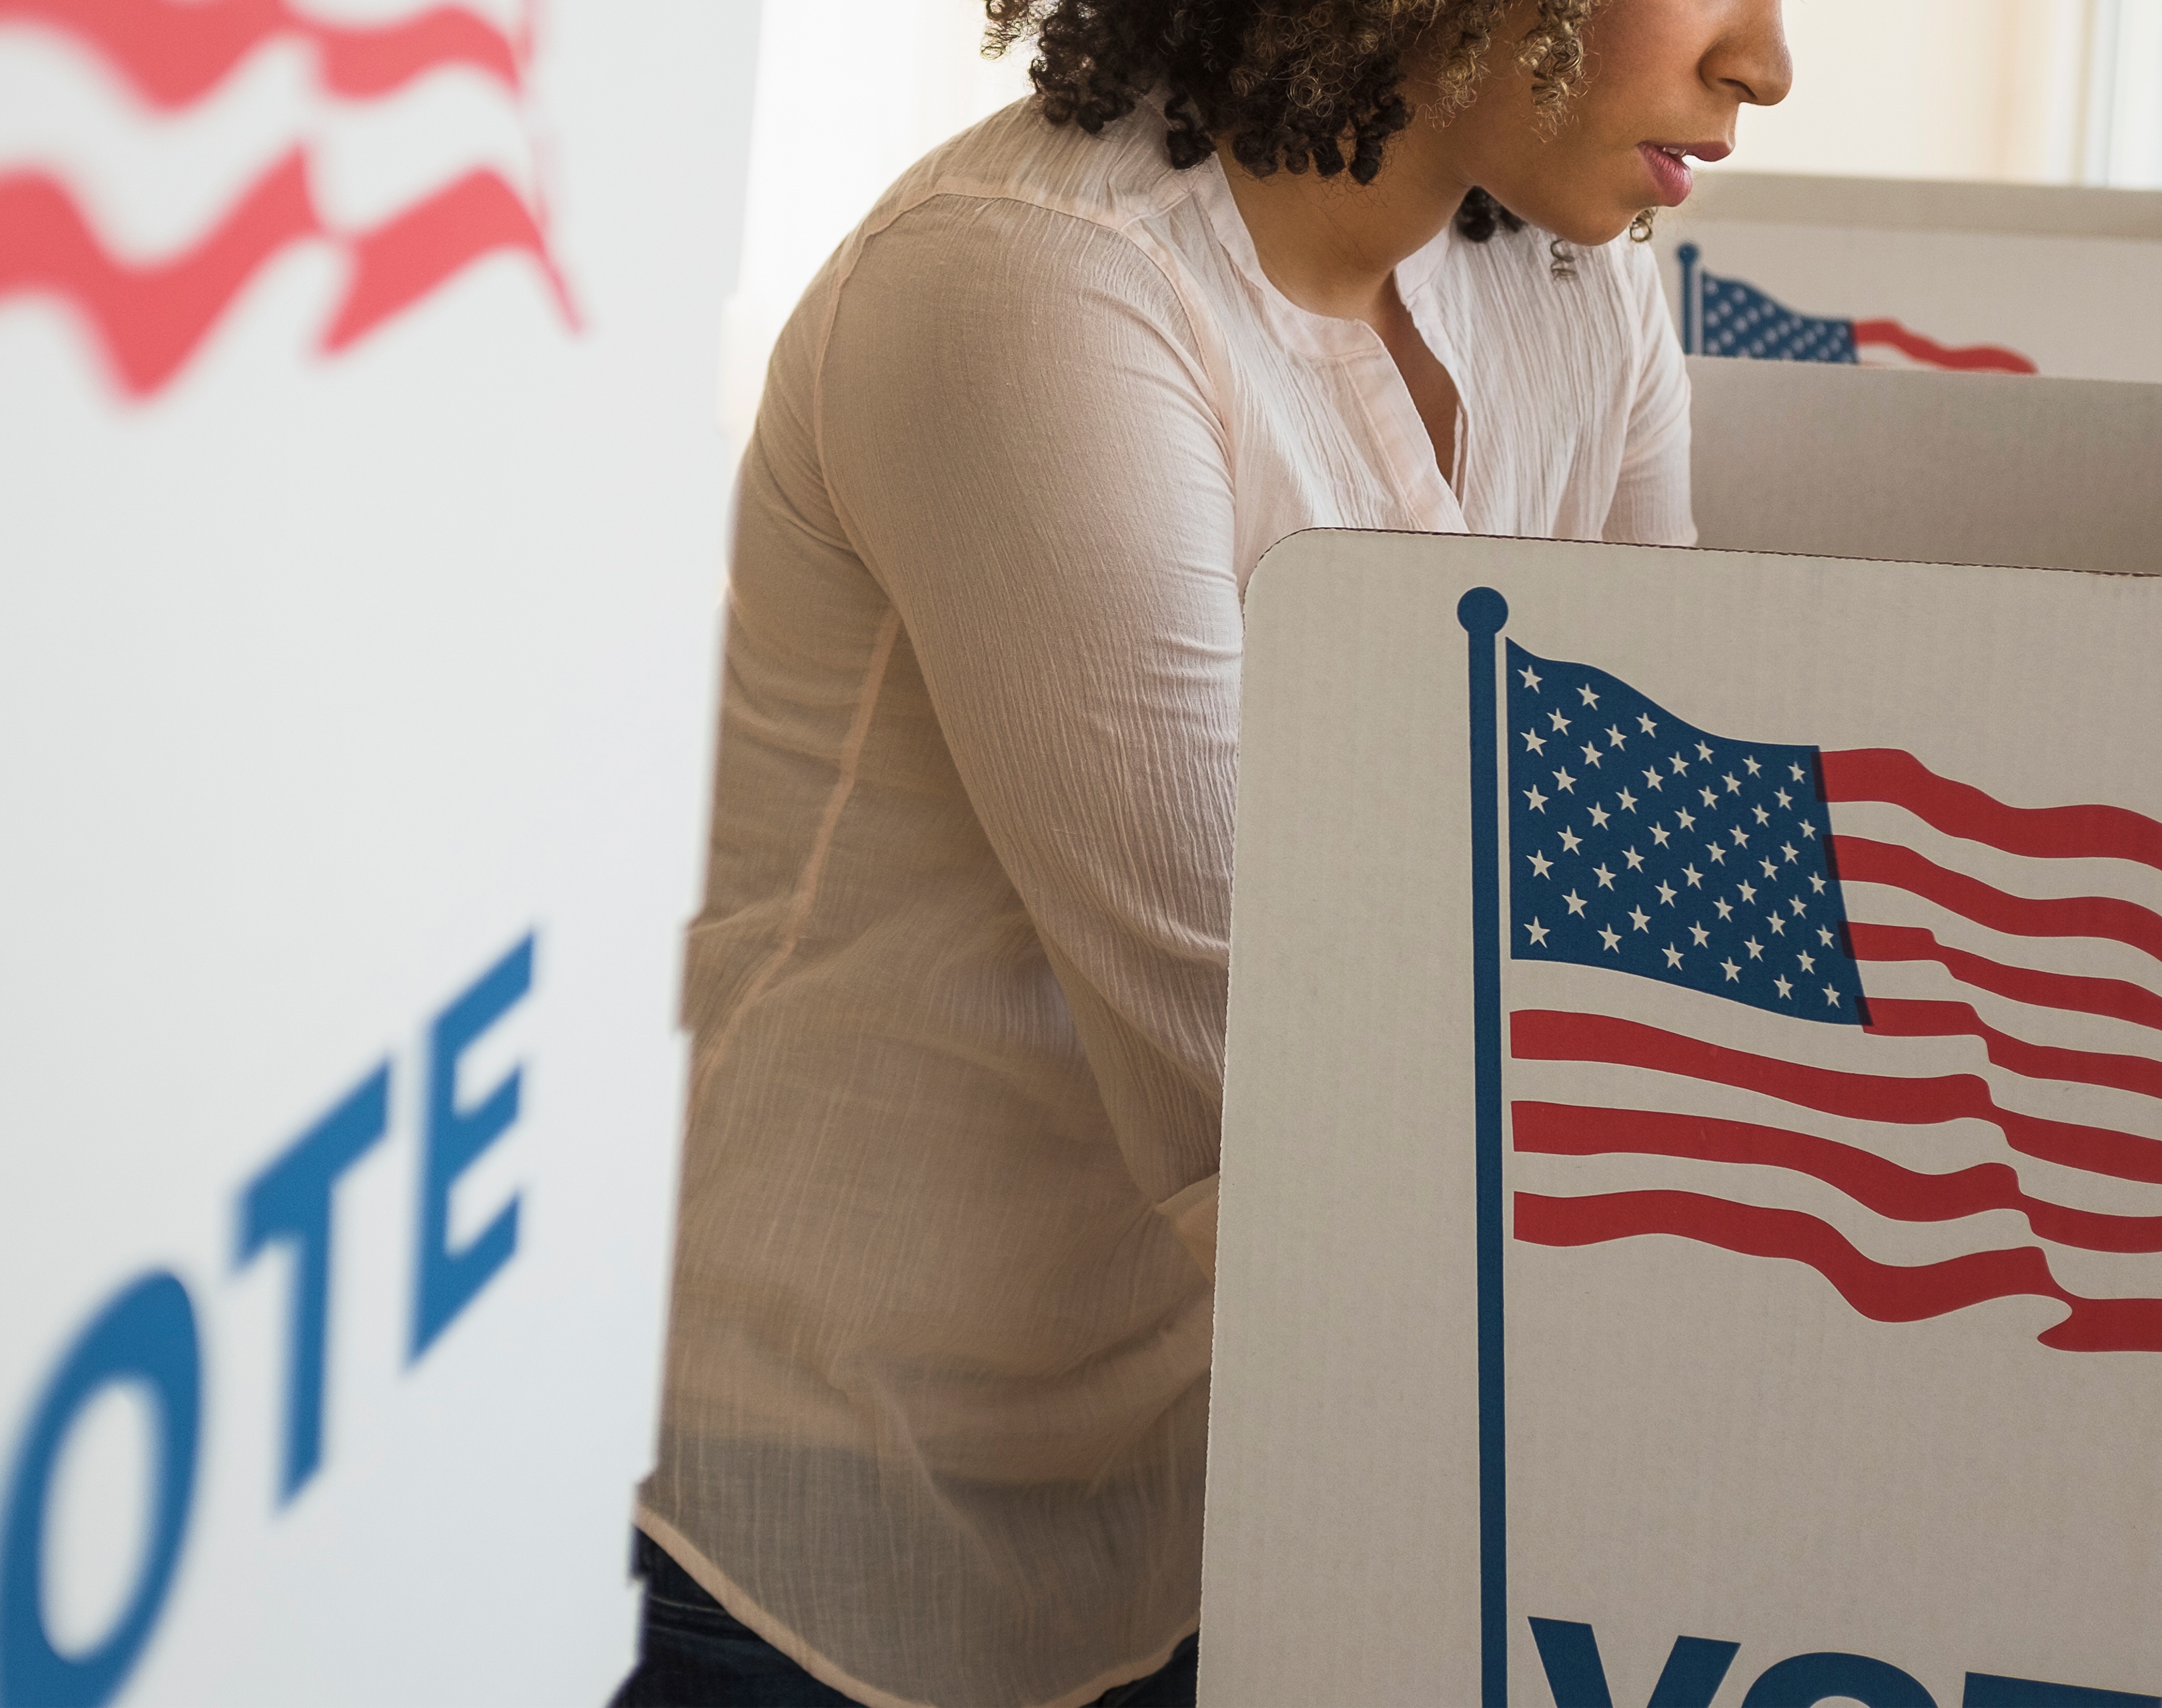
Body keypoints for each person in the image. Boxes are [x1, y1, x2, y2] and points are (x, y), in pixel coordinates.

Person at [618, 2, 1790, 1703]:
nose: (1766, 63)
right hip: (819, 1532)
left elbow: (1654, 929)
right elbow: (1276, 1105)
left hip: (1215, 1500)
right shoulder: (1036, 287)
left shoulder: (1570, 279)